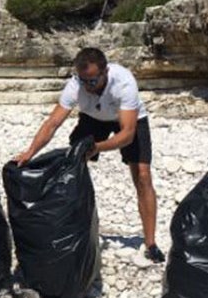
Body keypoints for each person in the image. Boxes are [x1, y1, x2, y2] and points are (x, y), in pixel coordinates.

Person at [13, 47, 165, 263]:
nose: (87, 86)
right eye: (83, 81)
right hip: (93, 117)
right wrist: (30, 151)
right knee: (73, 165)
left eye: (92, 81)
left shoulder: (124, 83)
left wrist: (97, 147)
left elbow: (127, 135)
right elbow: (53, 123)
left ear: (105, 72)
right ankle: (74, 226)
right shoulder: (76, 85)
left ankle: (150, 243)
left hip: (129, 121)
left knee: (142, 175)